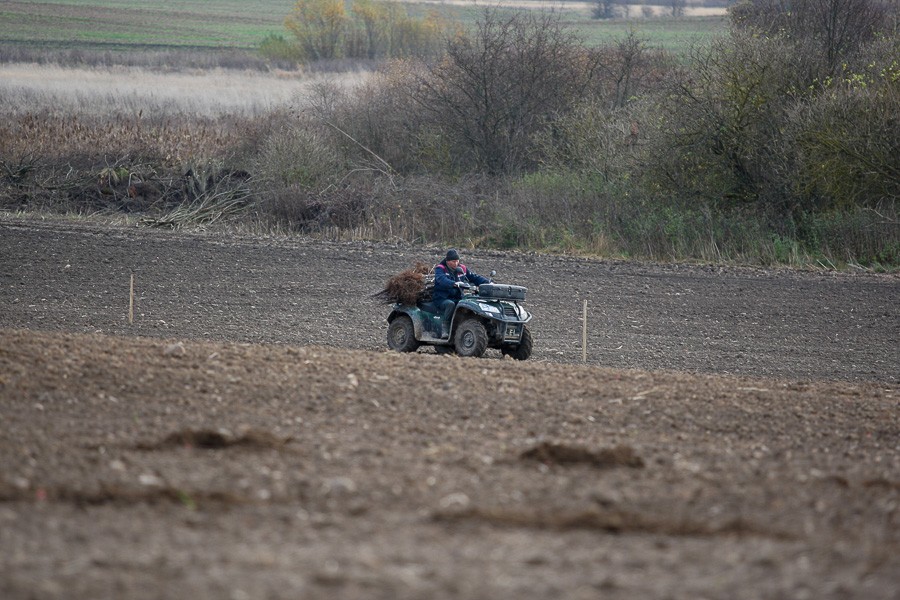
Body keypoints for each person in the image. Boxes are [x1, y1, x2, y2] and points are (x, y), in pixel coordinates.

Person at [431, 249, 490, 335]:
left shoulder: (462, 268)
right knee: (450, 304)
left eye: (457, 261)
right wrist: (454, 283)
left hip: (458, 297)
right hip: (442, 298)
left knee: (469, 303)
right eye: (453, 261)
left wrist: (487, 282)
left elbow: (474, 277)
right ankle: (445, 327)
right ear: (447, 261)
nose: (456, 263)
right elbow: (441, 280)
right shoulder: (440, 269)